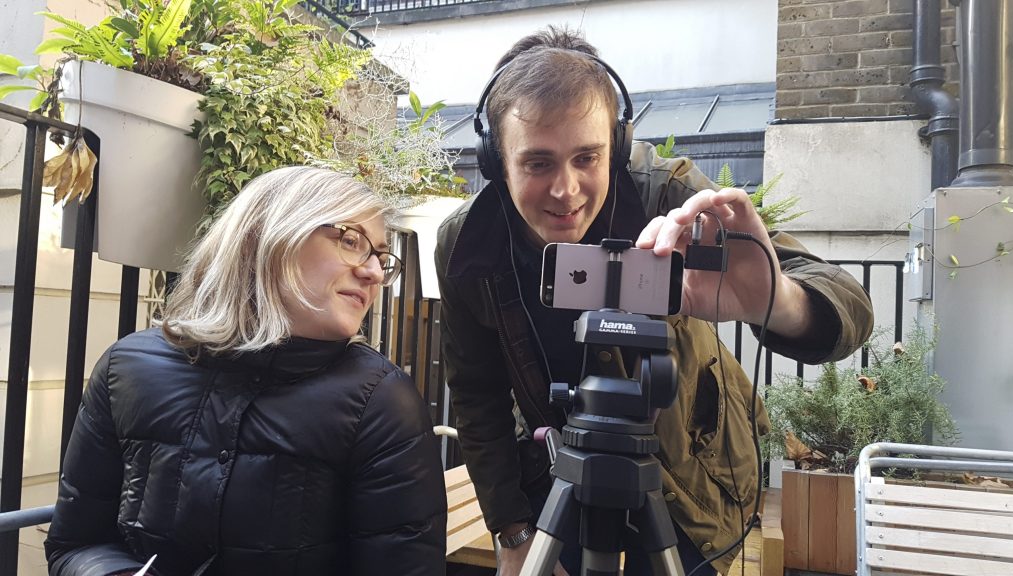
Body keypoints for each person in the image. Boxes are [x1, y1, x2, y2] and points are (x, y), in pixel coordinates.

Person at [435, 26, 874, 576]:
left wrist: (777, 300)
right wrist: (513, 531)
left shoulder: (664, 193)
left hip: (691, 487)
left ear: (616, 147)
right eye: (538, 163)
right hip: (554, 481)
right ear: (496, 160)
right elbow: (477, 397)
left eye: (587, 157)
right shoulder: (467, 245)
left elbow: (848, 301)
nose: (565, 190)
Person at [45, 166, 447, 576]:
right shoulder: (127, 368)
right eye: (350, 241)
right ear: (266, 237)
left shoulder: (379, 400)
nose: (374, 273)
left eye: (381, 257)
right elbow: (75, 544)